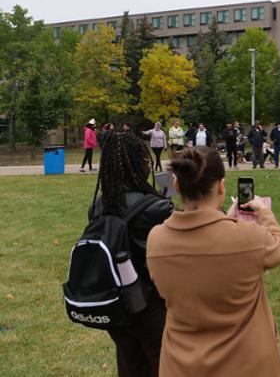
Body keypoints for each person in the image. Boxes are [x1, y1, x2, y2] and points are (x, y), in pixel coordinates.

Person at [146, 147, 280, 377]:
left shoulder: (156, 240)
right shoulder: (248, 237)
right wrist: (263, 212)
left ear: (178, 186)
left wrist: (224, 220)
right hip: (247, 364)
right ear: (221, 187)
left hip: (181, 365)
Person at [89, 131, 173, 377]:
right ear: (138, 164)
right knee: (162, 364)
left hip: (116, 303)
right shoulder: (157, 207)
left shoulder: (98, 206)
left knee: (129, 363)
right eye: (146, 161)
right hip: (152, 304)